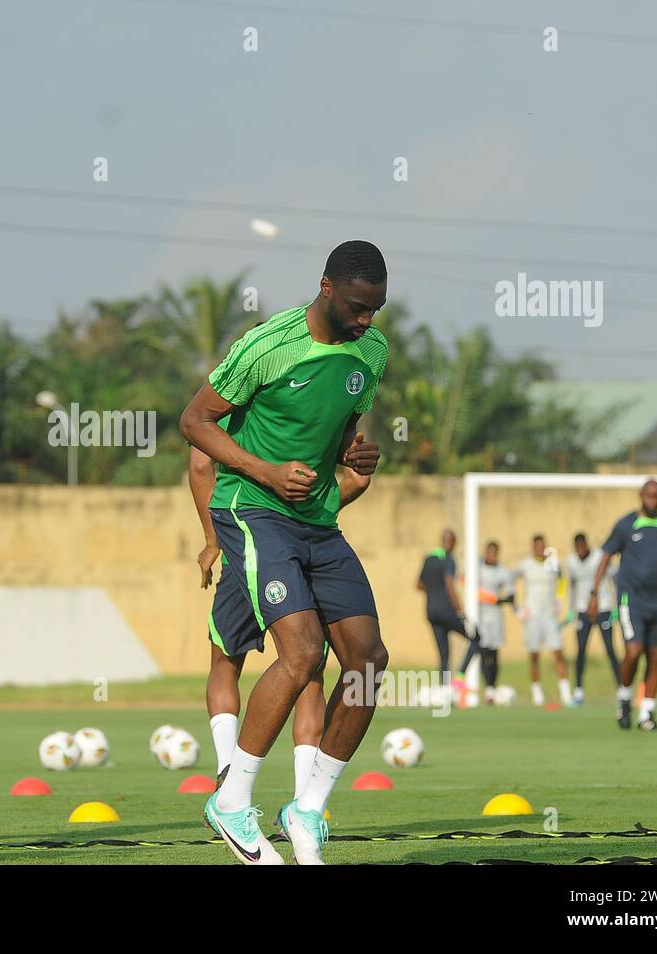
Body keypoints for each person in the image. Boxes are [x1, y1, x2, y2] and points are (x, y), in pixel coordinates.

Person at [180, 239, 388, 866]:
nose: (365, 321)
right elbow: (195, 422)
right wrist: (267, 472)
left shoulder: (371, 351)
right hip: (253, 507)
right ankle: (232, 798)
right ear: (325, 287)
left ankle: (307, 808)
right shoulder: (264, 347)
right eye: (356, 306)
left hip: (317, 519)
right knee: (299, 654)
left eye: (375, 309)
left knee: (368, 661)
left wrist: (357, 452)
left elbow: (344, 426)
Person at [191, 446, 371, 802]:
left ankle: (228, 770)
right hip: (303, 557)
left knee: (226, 660)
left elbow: (200, 465)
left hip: (246, 549)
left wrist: (213, 541)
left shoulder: (233, 404)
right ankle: (305, 797)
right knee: (309, 671)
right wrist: (313, 516)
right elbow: (356, 479)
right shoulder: (318, 414)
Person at [587, 480, 657, 731]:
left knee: (656, 656)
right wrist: (594, 593)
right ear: (641, 495)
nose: (652, 500)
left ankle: (647, 715)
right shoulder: (626, 524)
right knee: (633, 651)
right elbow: (605, 557)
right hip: (631, 601)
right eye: (648, 496)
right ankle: (624, 698)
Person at [416, 529, 479, 702]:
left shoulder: (428, 559)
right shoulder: (448, 559)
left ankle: (444, 693)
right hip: (446, 610)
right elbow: (450, 585)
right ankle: (459, 678)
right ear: (452, 543)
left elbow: (419, 585)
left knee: (443, 653)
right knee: (476, 637)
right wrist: (461, 614)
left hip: (431, 611)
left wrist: (434, 592)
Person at [511, 534, 570, 707]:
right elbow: (510, 581)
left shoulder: (553, 564)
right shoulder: (525, 565)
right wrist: (517, 608)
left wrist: (559, 599)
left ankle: (566, 694)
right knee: (534, 655)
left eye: (542, 546)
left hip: (549, 616)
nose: (540, 549)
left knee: (558, 653)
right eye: (537, 546)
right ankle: (537, 693)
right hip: (533, 617)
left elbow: (563, 580)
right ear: (533, 547)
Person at [565, 531, 620, 705]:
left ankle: (621, 689)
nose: (580, 550)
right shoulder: (571, 562)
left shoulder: (599, 557)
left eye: (582, 546)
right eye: (577, 547)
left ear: (587, 544)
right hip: (583, 610)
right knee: (580, 651)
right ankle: (579, 691)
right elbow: (571, 586)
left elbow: (615, 579)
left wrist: (616, 607)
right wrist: (571, 609)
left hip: (603, 608)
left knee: (610, 650)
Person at [475, 541, 514, 703]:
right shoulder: (477, 569)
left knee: (494, 653)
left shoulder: (503, 571)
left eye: (495, 553)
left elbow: (510, 596)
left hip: (495, 615)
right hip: (481, 615)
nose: (492, 556)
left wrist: (498, 599)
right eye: (489, 552)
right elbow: (466, 583)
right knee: (483, 651)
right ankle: (488, 689)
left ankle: (492, 685)